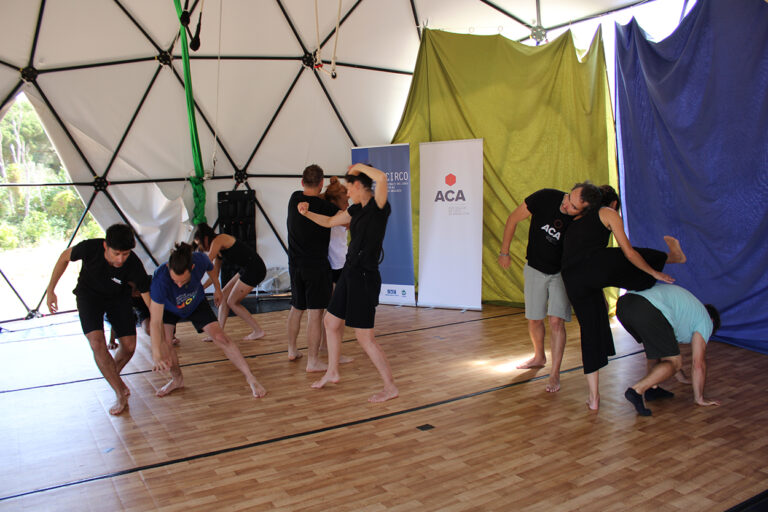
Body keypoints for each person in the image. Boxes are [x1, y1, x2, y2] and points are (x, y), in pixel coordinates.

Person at [560, 182, 686, 411]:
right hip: (592, 270)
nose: (568, 202)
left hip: (572, 280)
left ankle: (593, 398)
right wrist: (654, 272)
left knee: (590, 333)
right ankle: (672, 258)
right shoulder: (607, 213)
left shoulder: (577, 220)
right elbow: (629, 253)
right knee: (630, 258)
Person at [298, 163, 398, 403]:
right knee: (331, 322)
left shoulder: (378, 207)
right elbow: (329, 222)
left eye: (349, 187)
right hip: (349, 272)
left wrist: (359, 166)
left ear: (359, 185)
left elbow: (382, 177)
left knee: (365, 338)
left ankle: (390, 387)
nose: (347, 193)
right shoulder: (355, 210)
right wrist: (307, 213)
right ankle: (332, 371)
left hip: (365, 277)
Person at [45, 223, 151, 415]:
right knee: (97, 342)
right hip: (89, 297)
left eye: (125, 254)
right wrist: (51, 290)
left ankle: (112, 376)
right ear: (105, 246)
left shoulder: (134, 264)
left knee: (129, 347)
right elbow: (64, 258)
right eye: (116, 253)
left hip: (118, 298)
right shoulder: (90, 248)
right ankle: (120, 392)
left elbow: (149, 301)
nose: (120, 259)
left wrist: (160, 332)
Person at [497, 187, 587, 392]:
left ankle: (555, 373)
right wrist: (504, 252)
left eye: (574, 207)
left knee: (556, 321)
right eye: (568, 199)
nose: (567, 206)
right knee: (535, 318)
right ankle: (539, 356)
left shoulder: (581, 220)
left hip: (561, 273)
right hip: (535, 268)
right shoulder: (545, 197)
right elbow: (513, 219)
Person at [149, 242, 266, 398]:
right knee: (167, 343)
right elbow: (155, 322)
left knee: (221, 337)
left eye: (183, 281)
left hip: (196, 303)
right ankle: (177, 380)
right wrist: (156, 353)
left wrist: (217, 289)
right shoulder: (160, 279)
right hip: (170, 308)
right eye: (175, 281)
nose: (179, 285)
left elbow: (212, 270)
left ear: (192, 268)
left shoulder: (200, 260)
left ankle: (251, 378)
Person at [616, 283, 721, 416]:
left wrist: (682, 378)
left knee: (655, 352)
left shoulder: (685, 312)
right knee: (675, 363)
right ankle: (637, 390)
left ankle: (652, 389)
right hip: (647, 308)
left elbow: (666, 351)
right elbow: (698, 363)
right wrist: (699, 398)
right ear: (712, 321)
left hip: (624, 305)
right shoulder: (705, 320)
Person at [286, 164, 339, 371]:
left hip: (295, 265)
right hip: (316, 267)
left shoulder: (294, 198)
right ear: (321, 183)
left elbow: (313, 199)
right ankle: (313, 361)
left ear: (302, 182)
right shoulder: (326, 208)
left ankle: (292, 350)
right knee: (315, 314)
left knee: (296, 308)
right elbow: (344, 218)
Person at [194, 223, 267, 341]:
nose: (201, 248)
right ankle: (218, 333)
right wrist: (201, 287)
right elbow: (214, 275)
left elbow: (207, 262)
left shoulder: (219, 239)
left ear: (206, 238)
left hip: (255, 269)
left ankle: (258, 331)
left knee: (232, 302)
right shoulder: (218, 251)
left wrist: (192, 274)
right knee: (224, 295)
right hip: (246, 268)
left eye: (200, 244)